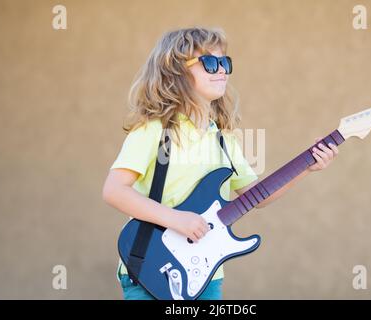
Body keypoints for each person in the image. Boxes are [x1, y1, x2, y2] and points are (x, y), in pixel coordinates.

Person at [102, 27, 338, 300]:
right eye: (210, 63)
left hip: (205, 275)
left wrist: (307, 167)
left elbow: (255, 196)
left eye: (225, 63)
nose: (222, 70)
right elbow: (114, 190)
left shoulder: (223, 138)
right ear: (176, 72)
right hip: (151, 268)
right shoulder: (153, 130)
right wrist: (175, 219)